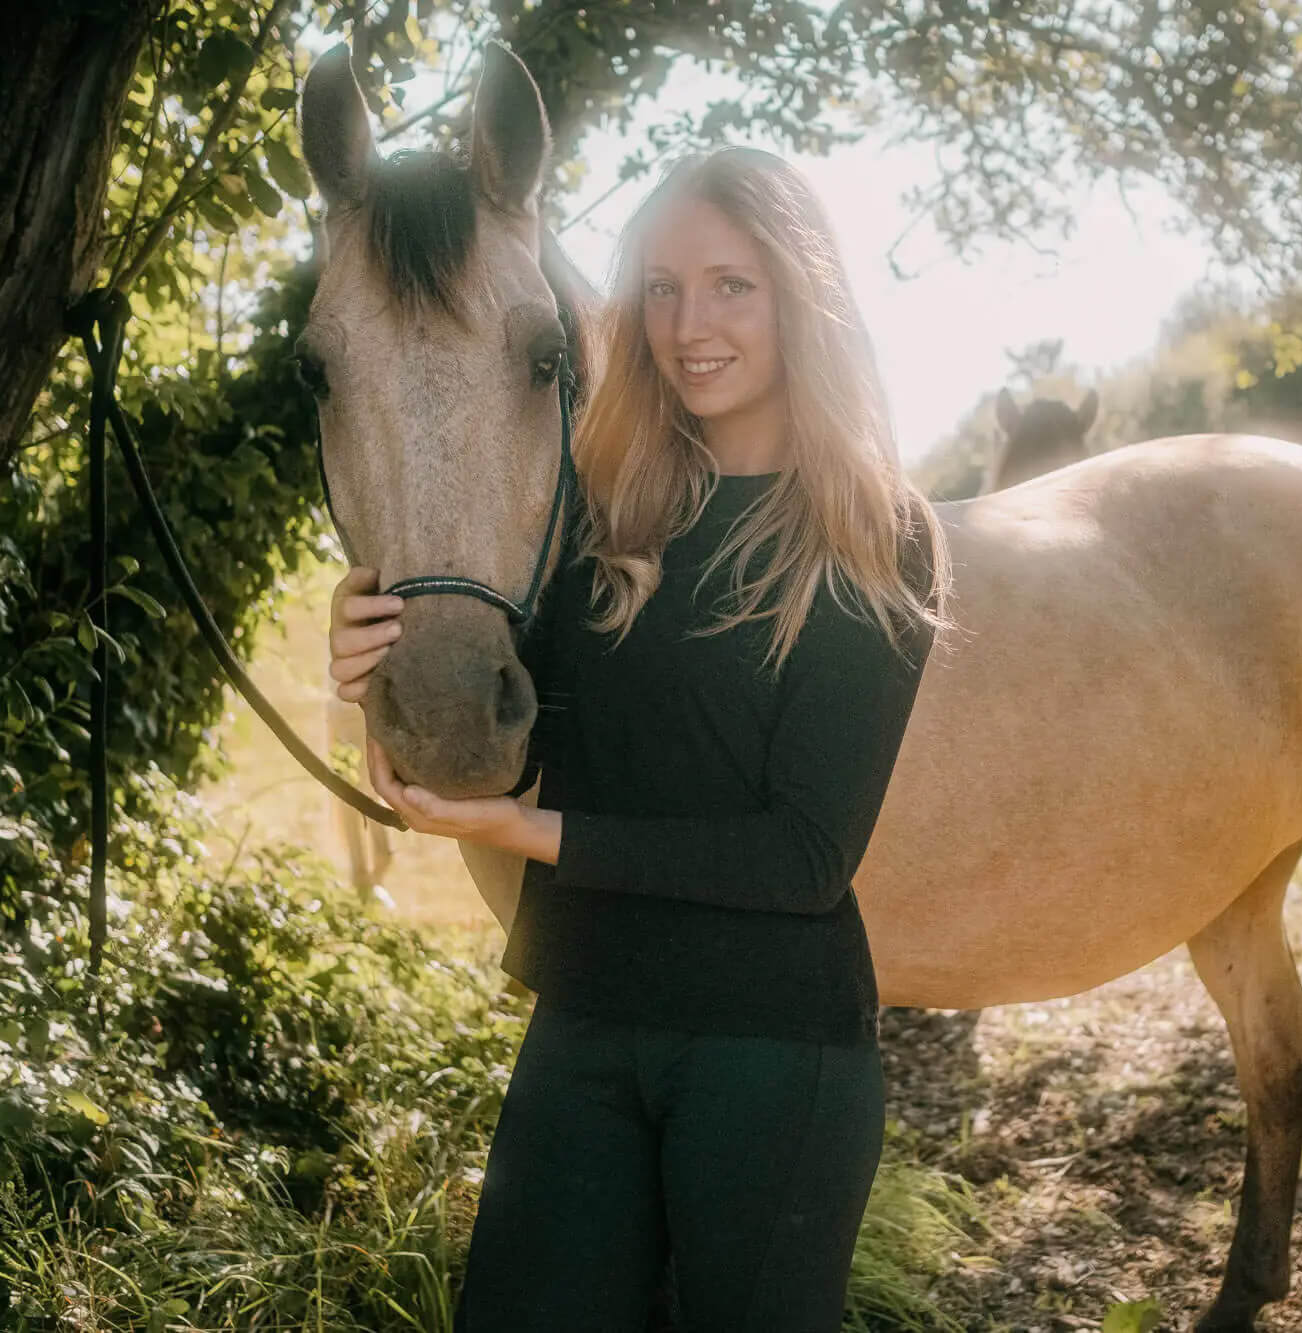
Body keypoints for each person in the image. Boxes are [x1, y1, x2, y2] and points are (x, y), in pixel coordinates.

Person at [326, 145, 953, 1331]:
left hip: (773, 1054)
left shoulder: (874, 537)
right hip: (583, 1020)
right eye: (659, 287)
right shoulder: (607, 516)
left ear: (799, 298)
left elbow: (803, 857)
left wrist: (532, 832)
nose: (686, 323)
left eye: (730, 285)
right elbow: (497, 731)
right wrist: (370, 655)